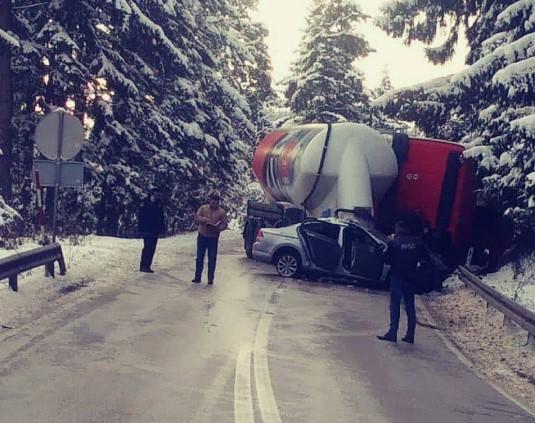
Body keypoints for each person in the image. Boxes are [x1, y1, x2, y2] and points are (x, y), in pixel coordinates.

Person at [377, 219, 427, 344]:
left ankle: (392, 333)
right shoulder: (418, 242)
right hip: (411, 278)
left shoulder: (394, 243)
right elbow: (424, 259)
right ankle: (410, 335)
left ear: (398, 229)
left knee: (395, 305)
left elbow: (387, 260)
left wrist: (388, 244)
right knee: (410, 306)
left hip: (397, 277)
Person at [192, 191, 228, 284]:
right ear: (210, 200)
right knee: (200, 257)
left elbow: (224, 223)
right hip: (202, 234)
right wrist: (204, 220)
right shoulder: (203, 208)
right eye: (213, 201)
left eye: (216, 202)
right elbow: (197, 217)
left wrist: (218, 228)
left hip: (213, 237)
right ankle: (197, 277)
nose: (214, 204)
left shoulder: (222, 212)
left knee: (212, 258)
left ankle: (210, 278)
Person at [138, 190, 165, 273]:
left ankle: (147, 266)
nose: (157, 196)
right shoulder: (145, 203)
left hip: (155, 230)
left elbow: (161, 217)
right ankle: (143, 266)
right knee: (147, 247)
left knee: (152, 248)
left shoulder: (159, 204)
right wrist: (141, 229)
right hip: (147, 229)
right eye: (156, 194)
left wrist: (162, 229)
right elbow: (141, 216)